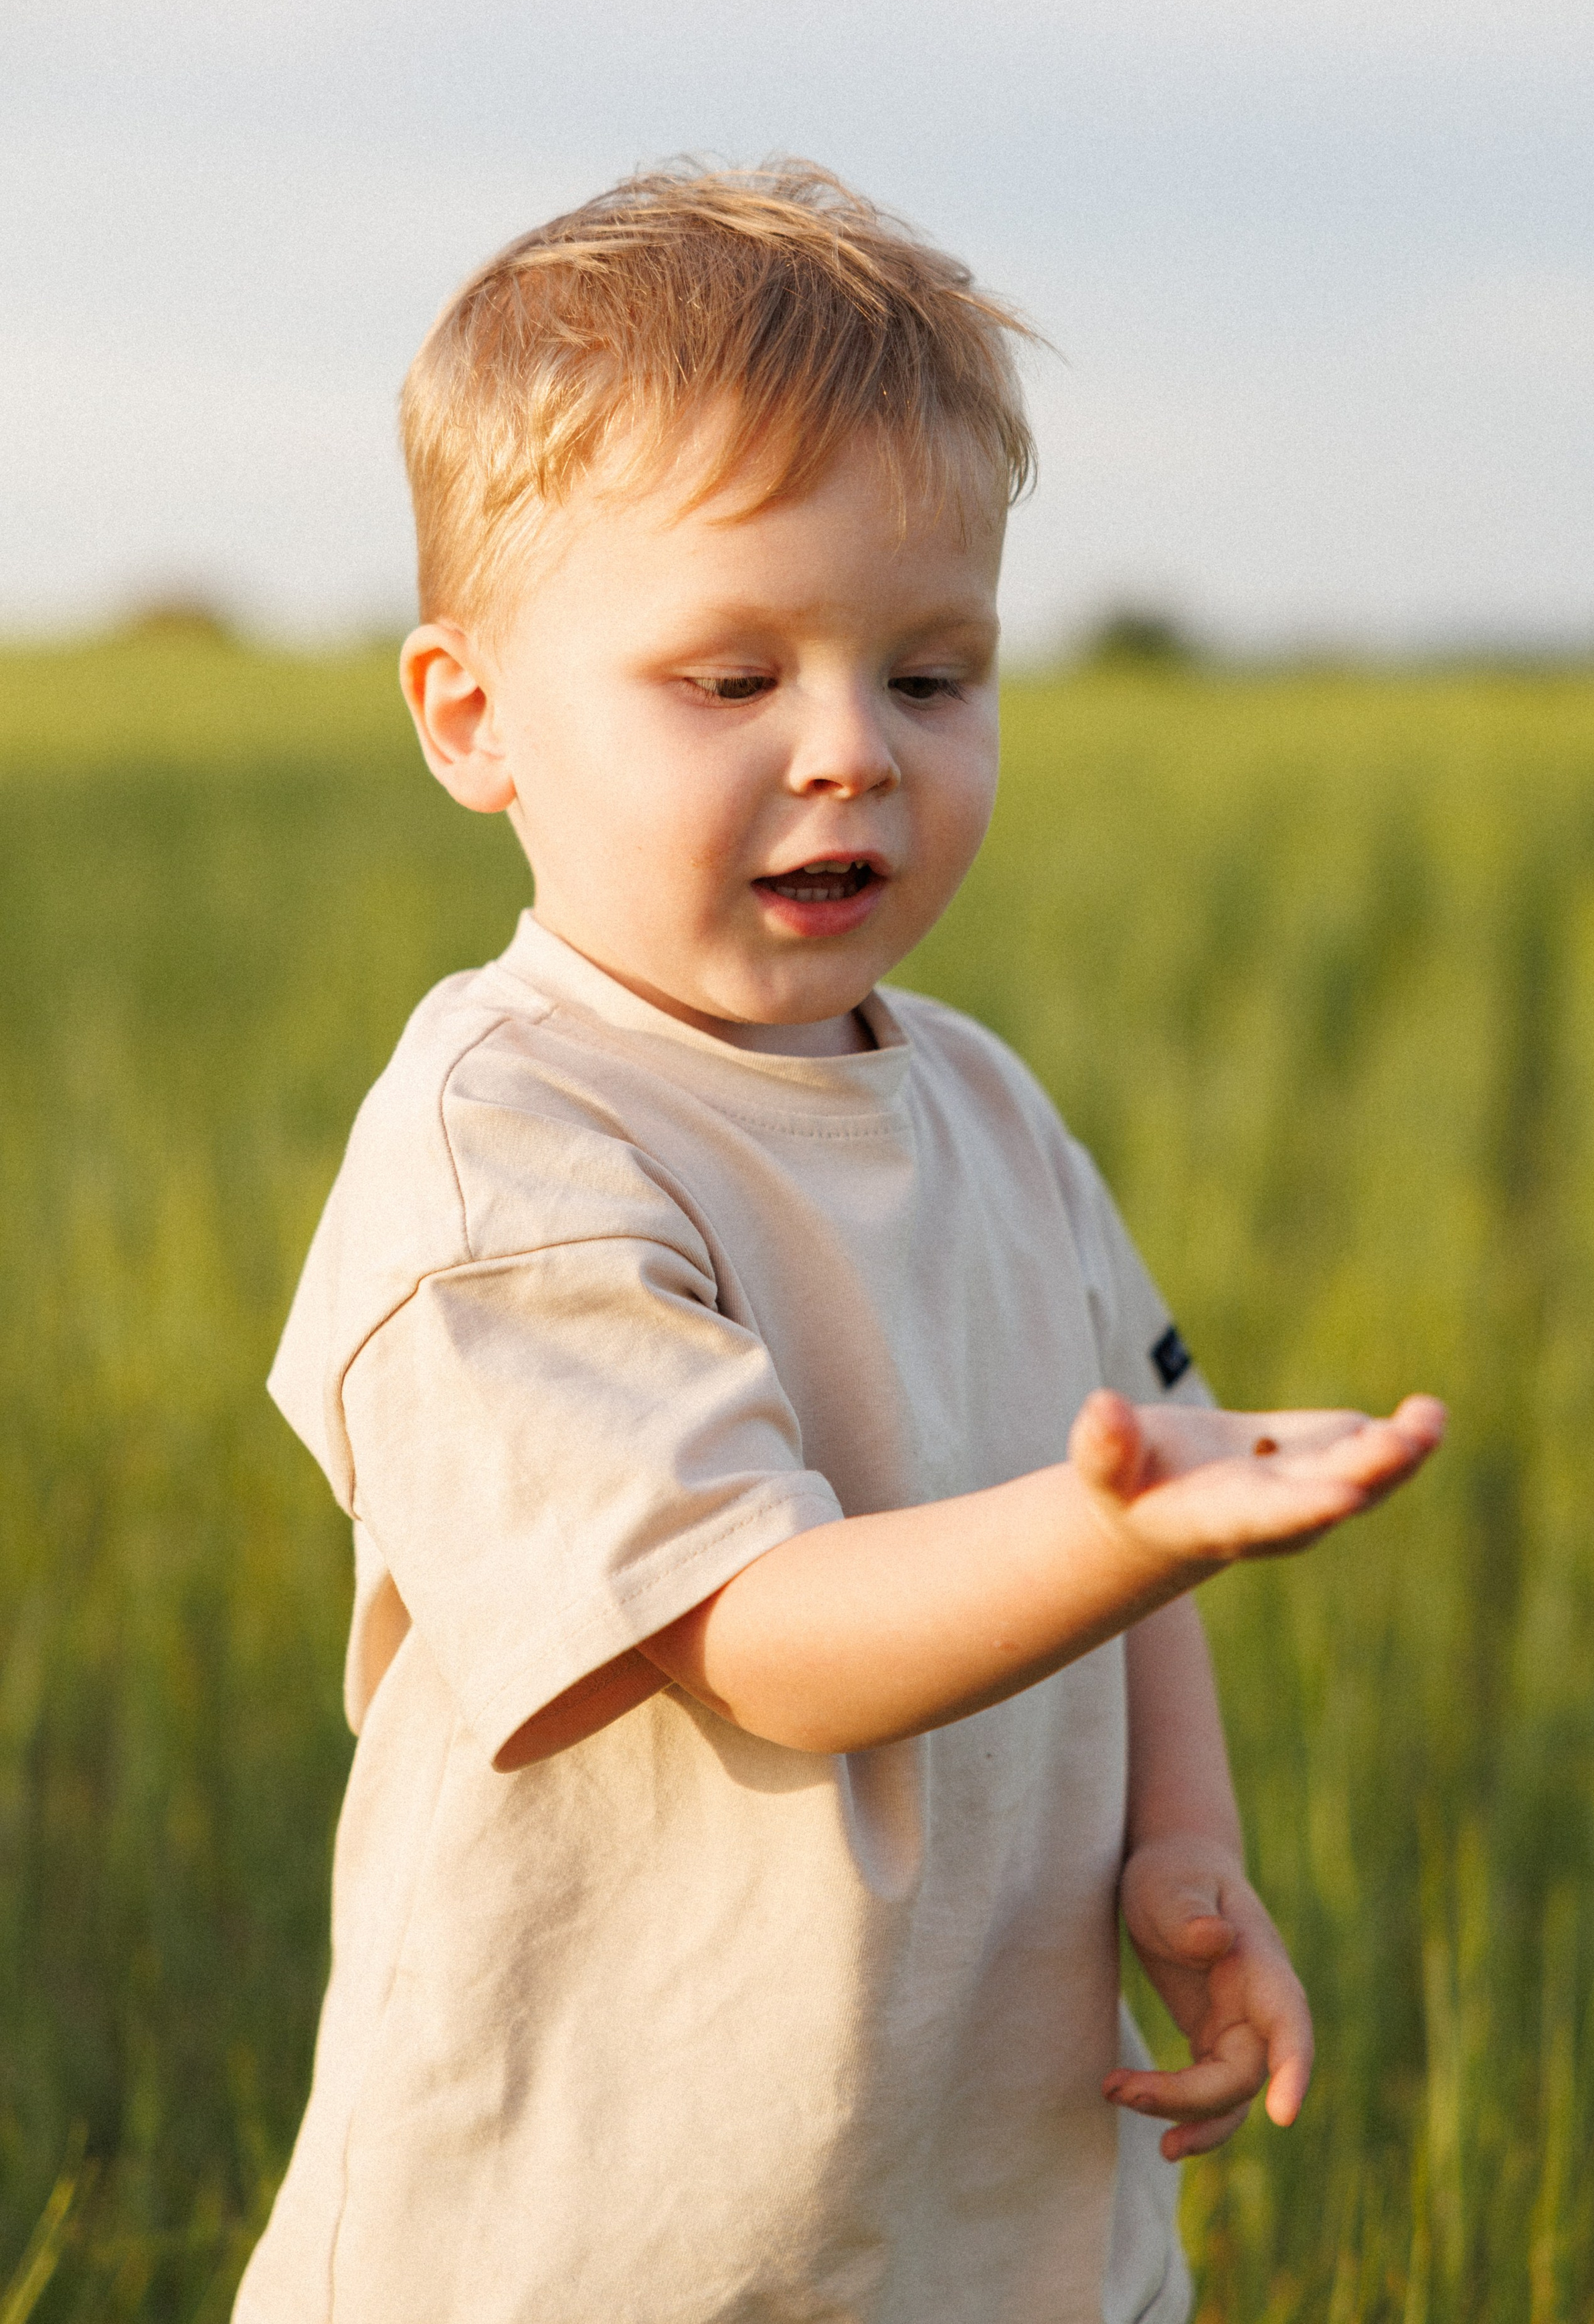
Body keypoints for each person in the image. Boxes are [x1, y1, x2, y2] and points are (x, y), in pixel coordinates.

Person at [233, 163, 1442, 2324]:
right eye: (727, 678)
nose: (849, 753)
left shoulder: (980, 1094)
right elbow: (760, 1631)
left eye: (932, 673)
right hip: (612, 2232)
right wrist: (1139, 1539)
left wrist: (1184, 1846)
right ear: (473, 717)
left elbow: (1146, 1462)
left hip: (980, 2200)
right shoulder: (508, 1155)